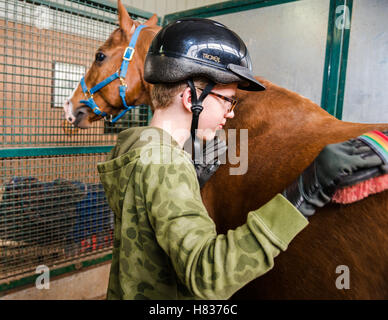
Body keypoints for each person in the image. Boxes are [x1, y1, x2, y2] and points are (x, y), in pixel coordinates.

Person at [97, 18, 384, 300]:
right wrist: (304, 192)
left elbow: (149, 227)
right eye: (227, 99)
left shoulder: (135, 148)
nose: (231, 112)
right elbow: (206, 277)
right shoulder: (164, 165)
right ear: (190, 97)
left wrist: (190, 182)